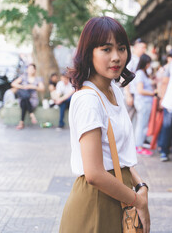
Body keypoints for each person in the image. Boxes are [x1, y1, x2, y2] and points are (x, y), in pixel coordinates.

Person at [59, 16, 150, 233]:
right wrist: (138, 201)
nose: (116, 57)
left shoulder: (114, 90)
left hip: (119, 192)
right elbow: (94, 174)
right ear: (89, 52)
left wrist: (140, 186)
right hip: (96, 202)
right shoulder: (89, 100)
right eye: (106, 49)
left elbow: (119, 153)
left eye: (121, 48)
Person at [133, 54, 156, 156]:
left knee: (143, 125)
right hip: (143, 102)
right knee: (141, 125)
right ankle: (139, 146)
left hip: (146, 102)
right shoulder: (140, 74)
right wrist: (153, 93)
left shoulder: (143, 73)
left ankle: (139, 144)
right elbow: (140, 90)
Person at [11, 63, 45, 130]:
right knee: (24, 98)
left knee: (24, 100)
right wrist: (23, 87)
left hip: (33, 100)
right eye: (29, 68)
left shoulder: (38, 79)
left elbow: (42, 88)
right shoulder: (23, 77)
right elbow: (13, 84)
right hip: (24, 98)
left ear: (35, 70)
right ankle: (32, 115)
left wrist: (33, 86)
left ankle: (21, 123)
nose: (30, 70)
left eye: (32, 69)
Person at [124, 38, 147, 121]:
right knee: (127, 118)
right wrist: (128, 95)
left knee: (133, 119)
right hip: (130, 93)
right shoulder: (131, 59)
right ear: (136, 47)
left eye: (145, 48)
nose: (144, 50)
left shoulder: (140, 59)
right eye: (142, 47)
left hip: (136, 94)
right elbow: (126, 77)